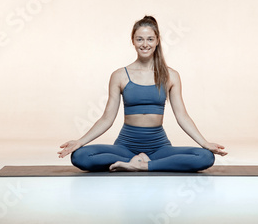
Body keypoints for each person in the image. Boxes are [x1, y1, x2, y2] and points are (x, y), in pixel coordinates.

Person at [58, 16, 227, 172]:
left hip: (159, 148)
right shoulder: (120, 75)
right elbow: (107, 119)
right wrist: (80, 141)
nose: (144, 44)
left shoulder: (171, 75)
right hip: (125, 147)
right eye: (139, 39)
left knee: (205, 157)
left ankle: (144, 165)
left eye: (150, 39)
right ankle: (135, 161)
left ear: (157, 41)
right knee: (80, 156)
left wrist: (204, 143)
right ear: (133, 41)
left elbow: (182, 116)